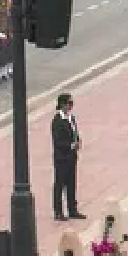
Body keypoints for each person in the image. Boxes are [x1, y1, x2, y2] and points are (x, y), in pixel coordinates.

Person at [51, 93, 86, 221]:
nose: (71, 106)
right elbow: (57, 141)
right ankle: (58, 211)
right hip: (61, 157)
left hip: (71, 156)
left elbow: (74, 133)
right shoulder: (57, 121)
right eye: (69, 103)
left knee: (71, 183)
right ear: (62, 104)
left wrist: (78, 141)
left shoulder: (71, 118)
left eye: (72, 103)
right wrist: (71, 145)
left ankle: (72, 209)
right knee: (60, 184)